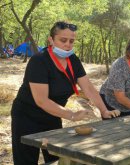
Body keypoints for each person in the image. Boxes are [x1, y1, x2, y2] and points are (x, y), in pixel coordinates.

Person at [10, 21, 120, 165]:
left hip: (53, 115)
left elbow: (89, 88)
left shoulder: (73, 60)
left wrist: (104, 110)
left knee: (57, 158)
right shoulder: (39, 61)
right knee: (26, 161)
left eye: (71, 41)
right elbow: (41, 100)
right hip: (26, 117)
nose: (68, 44)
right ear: (51, 40)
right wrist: (72, 115)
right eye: (63, 40)